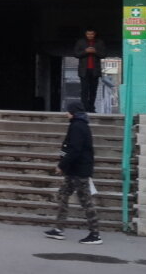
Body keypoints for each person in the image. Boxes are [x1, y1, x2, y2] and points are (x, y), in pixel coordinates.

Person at [44, 100, 102, 245]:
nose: (66, 113)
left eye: (68, 111)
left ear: (74, 112)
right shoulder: (77, 125)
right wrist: (63, 161)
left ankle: (95, 234)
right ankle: (59, 228)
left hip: (79, 170)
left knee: (85, 201)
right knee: (63, 195)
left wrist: (61, 165)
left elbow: (75, 149)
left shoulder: (78, 126)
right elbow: (68, 147)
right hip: (73, 170)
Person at [74, 28, 107, 113]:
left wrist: (95, 52)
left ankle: (91, 108)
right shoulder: (80, 42)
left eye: (91, 34)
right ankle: (84, 108)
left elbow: (104, 54)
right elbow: (76, 54)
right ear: (85, 34)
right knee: (84, 90)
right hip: (84, 71)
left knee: (93, 90)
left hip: (95, 71)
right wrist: (85, 51)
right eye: (88, 34)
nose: (90, 36)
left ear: (94, 34)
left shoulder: (99, 42)